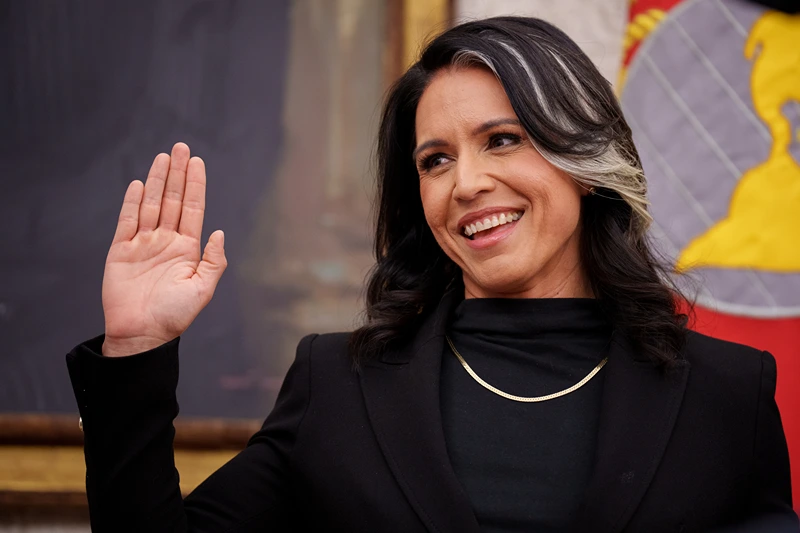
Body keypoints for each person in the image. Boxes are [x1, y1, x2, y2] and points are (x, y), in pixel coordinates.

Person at [65, 16, 797, 533]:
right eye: (435, 160)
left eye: (502, 140)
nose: (466, 182)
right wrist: (136, 346)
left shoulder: (725, 394)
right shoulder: (337, 384)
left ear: (585, 162)